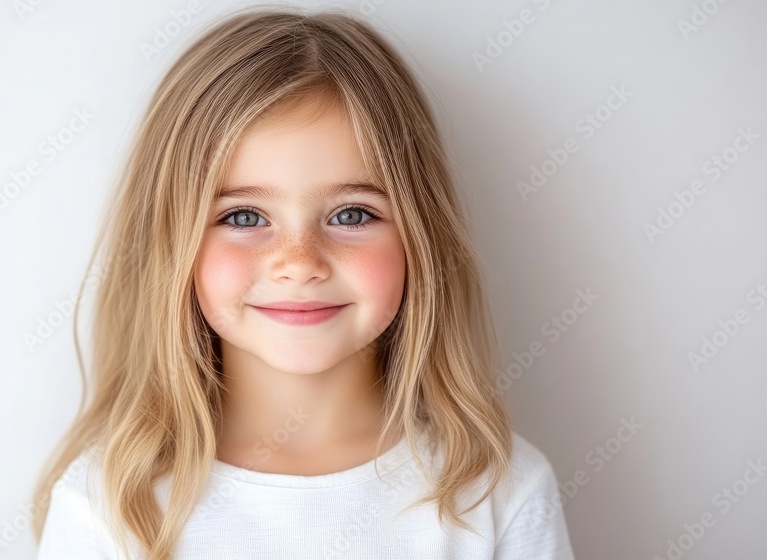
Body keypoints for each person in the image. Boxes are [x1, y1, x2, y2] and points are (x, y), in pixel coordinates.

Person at [31, 5, 575, 559]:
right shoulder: (108, 502)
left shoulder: (497, 491)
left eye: (351, 215)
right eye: (244, 217)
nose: (299, 262)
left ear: (421, 236)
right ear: (171, 245)